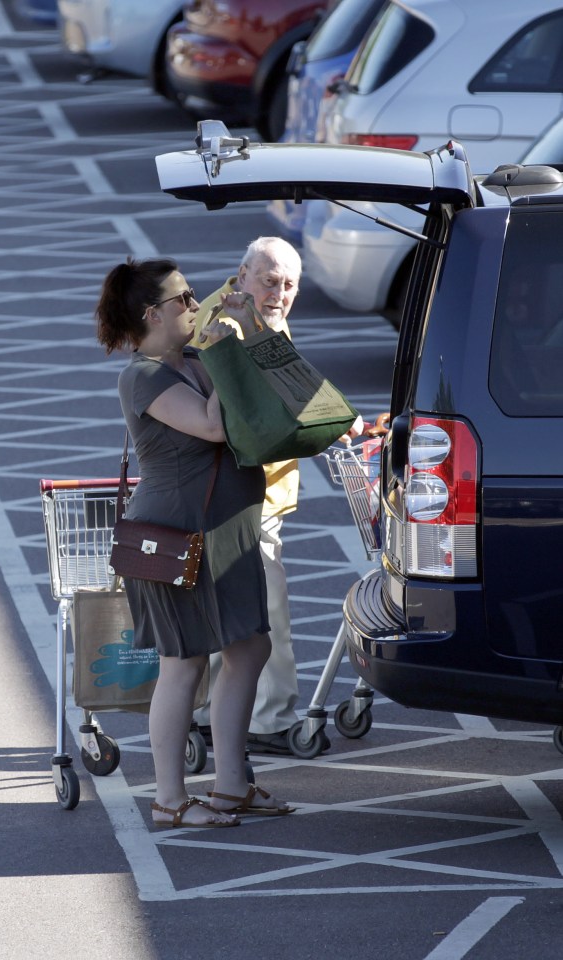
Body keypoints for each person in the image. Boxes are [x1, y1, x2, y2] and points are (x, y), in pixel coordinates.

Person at [96, 255, 295, 827]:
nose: (195, 304)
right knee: (183, 662)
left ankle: (232, 784)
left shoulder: (196, 359)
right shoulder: (144, 376)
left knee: (249, 646)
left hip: (227, 529)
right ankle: (169, 800)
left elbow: (263, 387)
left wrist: (248, 328)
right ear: (152, 314)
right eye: (183, 299)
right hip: (178, 535)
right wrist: (226, 347)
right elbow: (213, 425)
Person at [191, 236, 361, 755]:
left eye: (290, 285)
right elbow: (254, 417)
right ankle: (271, 719)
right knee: (269, 613)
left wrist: (338, 423)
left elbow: (293, 389)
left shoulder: (252, 315)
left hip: (244, 493)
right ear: (242, 273)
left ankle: (211, 714)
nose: (280, 293)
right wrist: (328, 425)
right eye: (270, 281)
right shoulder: (226, 324)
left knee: (231, 612)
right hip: (241, 495)